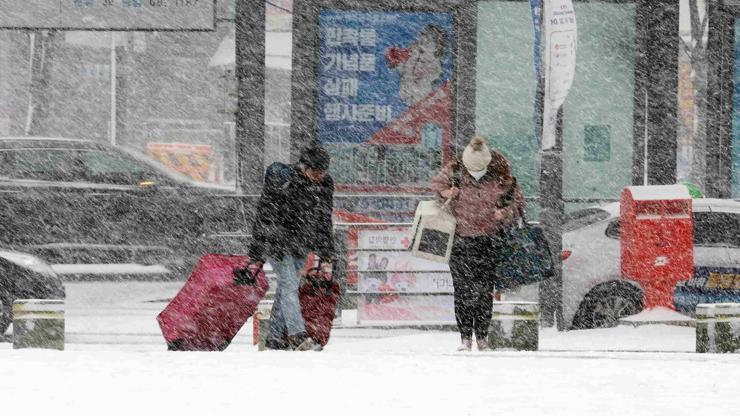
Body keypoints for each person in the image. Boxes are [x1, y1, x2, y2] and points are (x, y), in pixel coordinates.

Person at [431, 136, 525, 351]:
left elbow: (517, 202)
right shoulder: (454, 170)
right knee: (462, 291)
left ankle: (482, 336)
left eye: (480, 170)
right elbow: (436, 186)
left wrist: (505, 213)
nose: (475, 175)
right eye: (471, 171)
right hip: (459, 240)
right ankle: (465, 337)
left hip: (489, 241)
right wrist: (447, 192)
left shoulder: (502, 175)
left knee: (484, 292)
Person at [243, 144, 335, 351]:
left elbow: (324, 219)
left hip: (302, 244)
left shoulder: (324, 184)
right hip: (279, 244)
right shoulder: (284, 181)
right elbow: (264, 216)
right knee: (290, 288)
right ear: (304, 167)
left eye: (323, 172)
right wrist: (257, 251)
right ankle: (297, 336)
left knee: (287, 289)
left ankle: (275, 338)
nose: (319, 176)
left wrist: (326, 250)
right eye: (316, 172)